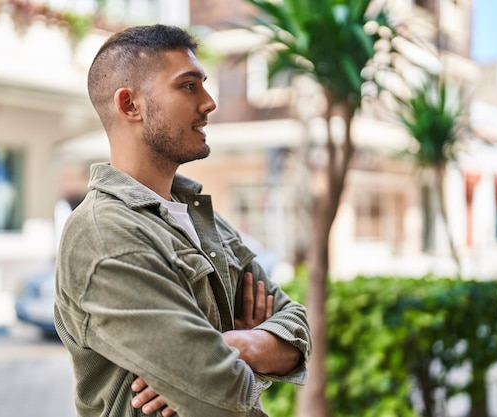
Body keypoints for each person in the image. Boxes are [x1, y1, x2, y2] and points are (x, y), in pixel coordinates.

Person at [54, 24, 311, 417]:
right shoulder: (104, 234)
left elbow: (297, 327)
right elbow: (218, 390)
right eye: (189, 86)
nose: (209, 103)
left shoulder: (196, 212)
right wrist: (257, 350)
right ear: (130, 105)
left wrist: (236, 347)